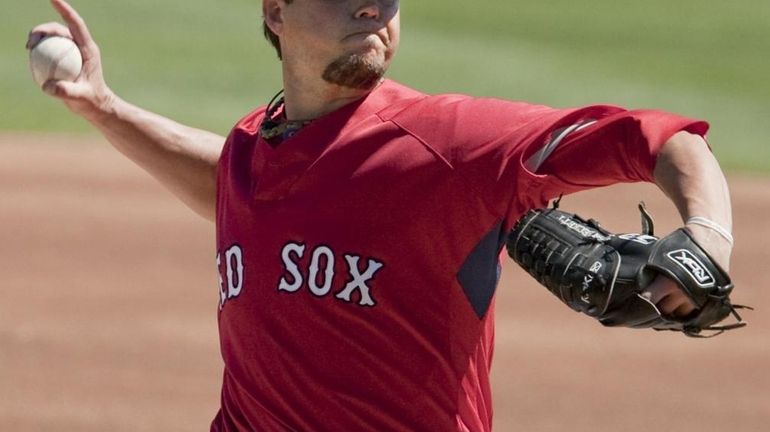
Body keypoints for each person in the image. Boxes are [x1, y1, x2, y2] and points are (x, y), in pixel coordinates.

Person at [28, 0, 734, 430]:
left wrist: (706, 235)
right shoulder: (256, 148)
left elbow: (663, 140)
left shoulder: (449, 142)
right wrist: (103, 108)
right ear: (276, 11)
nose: (374, 8)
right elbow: (236, 184)